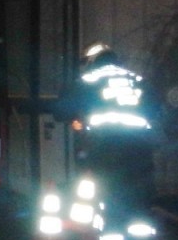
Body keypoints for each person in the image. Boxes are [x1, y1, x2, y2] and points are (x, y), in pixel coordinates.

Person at [59, 43, 157, 227]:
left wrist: (75, 121)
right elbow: (157, 110)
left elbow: (62, 110)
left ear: (91, 61)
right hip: (140, 149)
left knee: (108, 193)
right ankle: (140, 234)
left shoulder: (87, 81)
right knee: (138, 196)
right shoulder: (137, 79)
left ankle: (111, 236)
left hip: (106, 148)